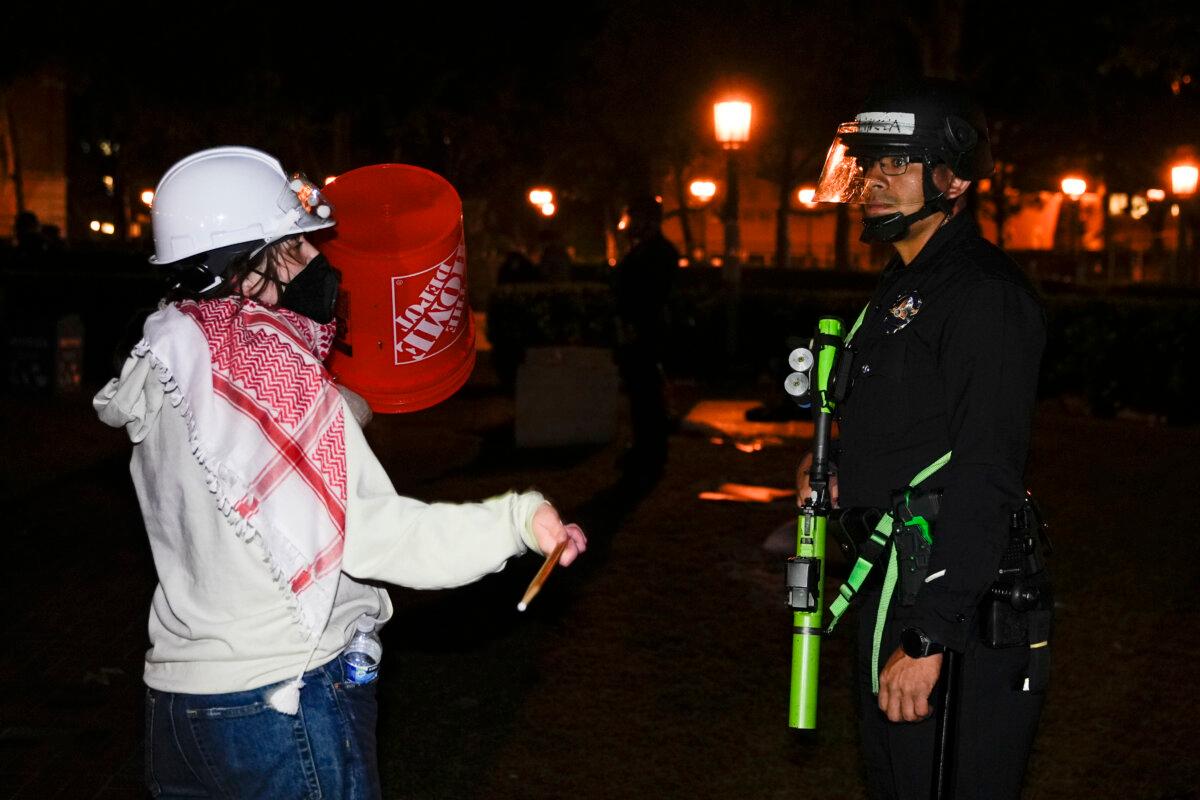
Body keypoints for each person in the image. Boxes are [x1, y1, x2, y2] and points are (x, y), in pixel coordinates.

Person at [94, 146, 587, 799]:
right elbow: (376, 535)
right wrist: (517, 520)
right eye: (293, 248)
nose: (318, 262)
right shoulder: (278, 378)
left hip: (182, 708)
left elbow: (249, 450)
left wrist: (339, 404)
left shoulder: (170, 360)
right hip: (281, 700)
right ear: (242, 271)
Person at [799, 80, 1047, 799]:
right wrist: (839, 465)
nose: (874, 183)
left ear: (956, 179)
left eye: (897, 165)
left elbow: (987, 468)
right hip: (891, 578)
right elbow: (910, 422)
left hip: (951, 601)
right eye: (869, 164)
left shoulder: (983, 295)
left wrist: (932, 634)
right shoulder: (905, 285)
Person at [613, 194, 679, 485]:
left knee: (647, 394)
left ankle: (650, 451)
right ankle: (646, 448)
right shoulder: (652, 251)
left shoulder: (658, 253)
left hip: (647, 334)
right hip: (641, 332)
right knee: (642, 395)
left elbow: (651, 294)